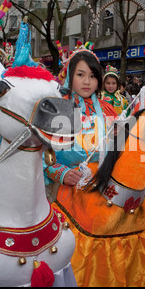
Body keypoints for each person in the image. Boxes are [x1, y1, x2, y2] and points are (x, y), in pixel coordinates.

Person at [43, 48, 117, 188]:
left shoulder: (107, 109)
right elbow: (39, 152)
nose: (87, 82)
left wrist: (119, 139)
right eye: (80, 75)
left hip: (101, 185)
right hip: (64, 188)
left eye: (93, 76)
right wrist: (61, 173)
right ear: (70, 76)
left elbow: (122, 150)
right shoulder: (57, 108)